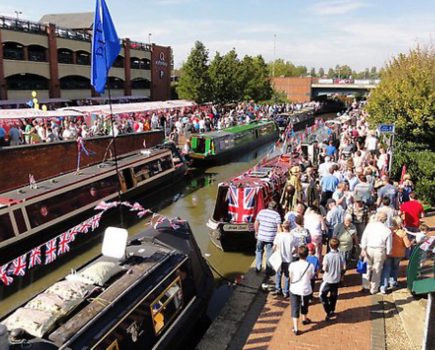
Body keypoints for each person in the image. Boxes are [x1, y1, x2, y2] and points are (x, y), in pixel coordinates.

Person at [360, 212, 392, 294]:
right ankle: (374, 289)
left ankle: (365, 285)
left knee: (367, 267)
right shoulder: (387, 230)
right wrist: (388, 253)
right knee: (377, 269)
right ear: (385, 220)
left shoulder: (370, 225)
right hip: (380, 250)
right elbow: (389, 245)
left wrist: (363, 248)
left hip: (369, 248)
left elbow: (364, 237)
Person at [380, 217, 411, 294]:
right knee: (395, 267)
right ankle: (393, 282)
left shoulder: (387, 231)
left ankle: (384, 286)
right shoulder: (402, 233)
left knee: (386, 268)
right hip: (398, 254)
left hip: (388, 253)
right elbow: (407, 245)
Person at [289, 245, 315, 335]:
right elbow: (311, 276)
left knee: (294, 308)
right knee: (305, 304)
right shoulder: (310, 265)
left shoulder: (292, 265)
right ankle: (304, 319)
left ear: (298, 254)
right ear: (307, 254)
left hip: (294, 288)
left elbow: (290, 276)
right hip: (306, 289)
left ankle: (296, 328)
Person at [320, 238, 346, 320]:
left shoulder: (327, 256)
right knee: (333, 295)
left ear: (329, 246)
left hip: (327, 279)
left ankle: (328, 310)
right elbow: (344, 267)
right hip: (336, 279)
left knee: (322, 294)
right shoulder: (341, 256)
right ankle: (332, 309)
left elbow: (325, 268)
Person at [254, 201, 282, 274]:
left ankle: (258, 267)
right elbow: (279, 228)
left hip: (260, 236)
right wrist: (281, 237)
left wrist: (256, 232)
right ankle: (268, 270)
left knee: (259, 251)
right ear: (275, 207)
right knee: (269, 254)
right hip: (270, 238)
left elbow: (256, 223)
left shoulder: (261, 212)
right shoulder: (277, 215)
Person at [272, 221, 296, 297]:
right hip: (288, 259)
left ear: (282, 227)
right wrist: (291, 254)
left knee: (279, 274)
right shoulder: (292, 236)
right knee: (287, 275)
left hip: (279, 258)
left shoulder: (279, 235)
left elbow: (274, 247)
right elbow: (295, 249)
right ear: (290, 228)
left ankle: (278, 289)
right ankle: (286, 291)